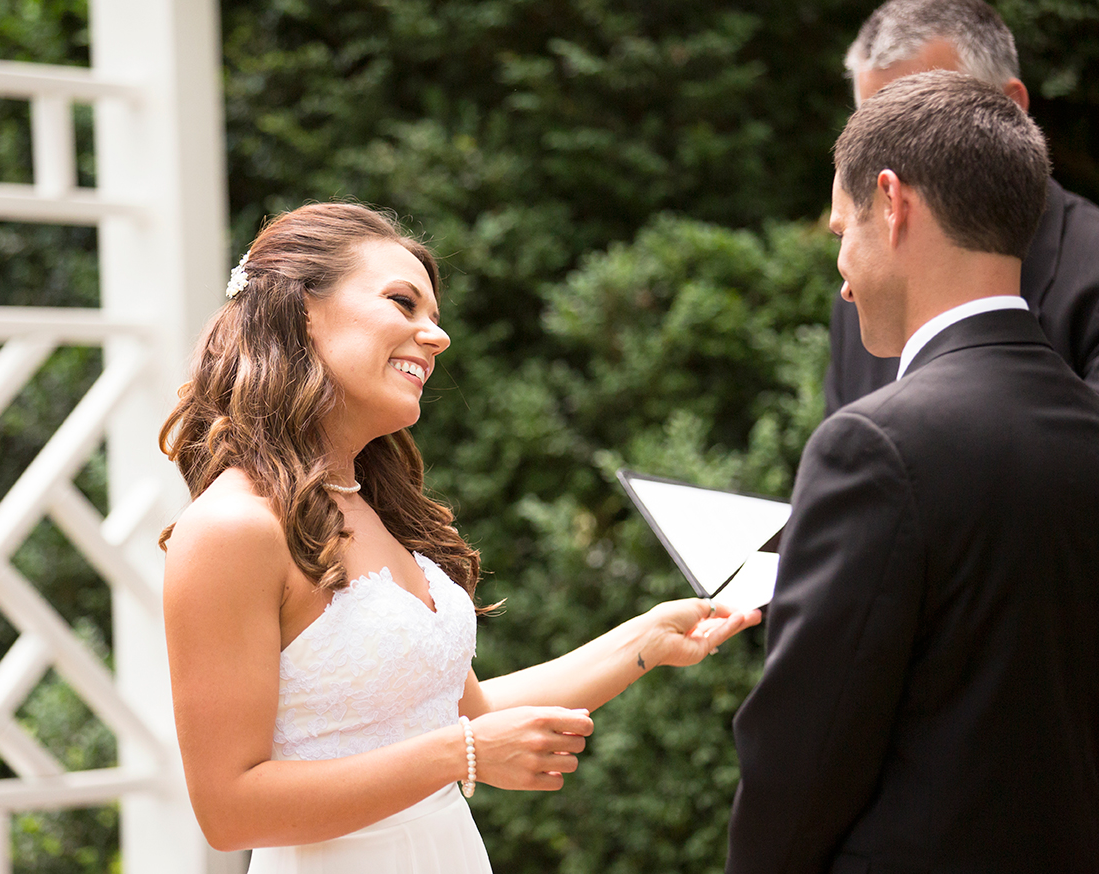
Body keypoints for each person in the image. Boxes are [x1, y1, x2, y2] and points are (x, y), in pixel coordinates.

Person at [157, 202, 761, 873]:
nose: (435, 336)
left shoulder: (368, 506)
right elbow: (229, 808)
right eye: (402, 303)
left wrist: (641, 643)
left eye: (434, 317)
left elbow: (465, 710)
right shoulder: (232, 527)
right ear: (299, 311)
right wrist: (460, 755)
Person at [726, 70, 1099, 872]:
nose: (842, 272)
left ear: (891, 205)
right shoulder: (1086, 425)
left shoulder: (872, 444)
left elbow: (804, 748)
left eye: (840, 233)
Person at [824, 0, 1099, 415]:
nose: (889, 169)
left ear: (1012, 108)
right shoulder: (858, 296)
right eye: (871, 128)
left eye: (929, 114)